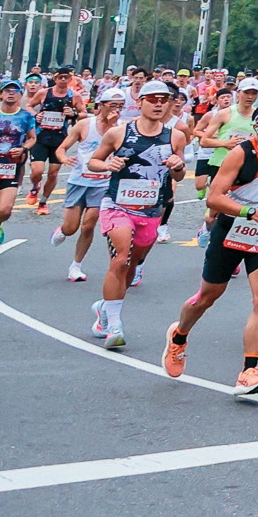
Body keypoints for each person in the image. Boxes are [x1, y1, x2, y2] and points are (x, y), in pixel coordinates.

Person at [163, 98, 258, 396]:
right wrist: (251, 213)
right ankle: (178, 336)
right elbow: (213, 198)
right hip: (233, 228)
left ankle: (249, 371)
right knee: (208, 296)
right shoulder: (242, 154)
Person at [86, 79, 187, 348]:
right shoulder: (119, 133)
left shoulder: (175, 136)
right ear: (140, 102)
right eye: (152, 99)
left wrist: (178, 165)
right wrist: (108, 164)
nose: (157, 104)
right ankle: (115, 326)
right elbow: (93, 161)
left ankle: (105, 309)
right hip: (117, 205)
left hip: (152, 209)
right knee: (120, 259)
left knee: (132, 265)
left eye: (163, 100)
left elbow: (180, 172)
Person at [51, 90, 123, 281]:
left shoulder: (122, 128)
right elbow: (61, 148)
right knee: (71, 227)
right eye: (113, 105)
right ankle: (63, 230)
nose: (116, 109)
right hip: (79, 180)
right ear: (101, 105)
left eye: (120, 106)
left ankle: (76, 266)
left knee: (89, 224)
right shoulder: (85, 125)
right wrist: (65, 159)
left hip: (103, 183)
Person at [26, 68, 77, 216]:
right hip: (41, 137)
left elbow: (83, 113)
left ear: (69, 80)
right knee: (37, 170)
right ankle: (35, 186)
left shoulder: (74, 96)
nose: (63, 80)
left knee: (53, 174)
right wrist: (36, 115)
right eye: (60, 77)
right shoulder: (44, 93)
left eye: (66, 77)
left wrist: (73, 114)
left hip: (59, 139)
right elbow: (28, 106)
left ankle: (43, 202)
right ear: (55, 79)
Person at [0, 80, 39, 243]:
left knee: (5, 210)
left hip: (12, 167)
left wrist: (23, 149)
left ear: (21, 95)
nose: (11, 93)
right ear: (1, 95)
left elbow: (32, 138)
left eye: (15, 90)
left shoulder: (26, 116)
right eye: (7, 90)